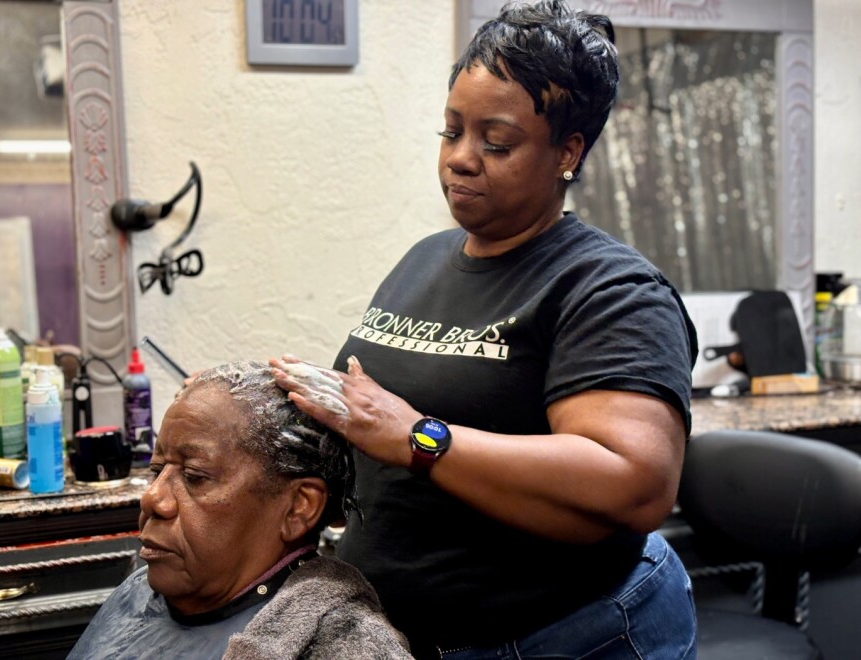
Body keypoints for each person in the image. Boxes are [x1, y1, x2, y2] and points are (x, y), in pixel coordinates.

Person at [271, 2, 699, 658]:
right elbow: (382, 415)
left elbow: (633, 480)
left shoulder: (609, 291)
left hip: (558, 640)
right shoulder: (424, 260)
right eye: (451, 132)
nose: (462, 159)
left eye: (495, 142)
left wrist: (418, 436)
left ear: (568, 150)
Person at [67, 361, 412, 660]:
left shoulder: (346, 644)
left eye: (194, 476)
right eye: (157, 471)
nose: (153, 499)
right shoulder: (139, 593)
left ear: (299, 508)